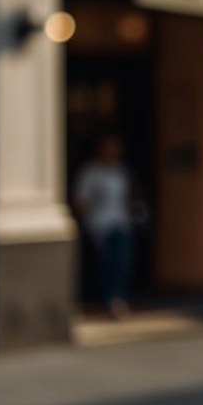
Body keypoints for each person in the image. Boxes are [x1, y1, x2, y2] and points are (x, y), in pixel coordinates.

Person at [73, 133, 135, 319]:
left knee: (123, 263)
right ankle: (109, 301)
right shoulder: (90, 172)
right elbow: (80, 200)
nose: (112, 151)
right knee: (106, 265)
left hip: (121, 222)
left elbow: (127, 196)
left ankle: (119, 300)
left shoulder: (120, 171)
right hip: (100, 225)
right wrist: (88, 222)